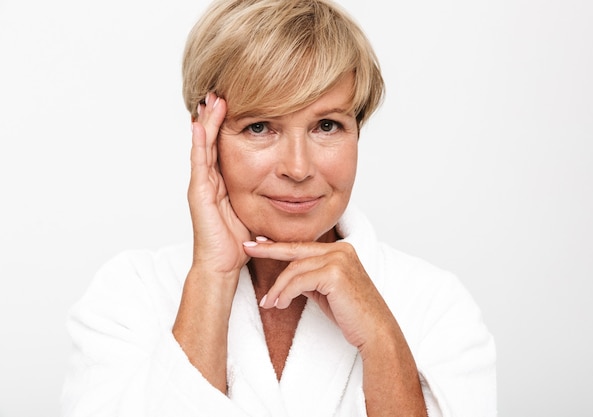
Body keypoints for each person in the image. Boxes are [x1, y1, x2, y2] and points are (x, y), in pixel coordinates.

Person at [61, 0, 496, 416]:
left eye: (327, 126)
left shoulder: (436, 305)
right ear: (207, 137)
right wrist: (212, 279)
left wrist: (383, 342)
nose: (298, 167)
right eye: (260, 127)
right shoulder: (129, 296)